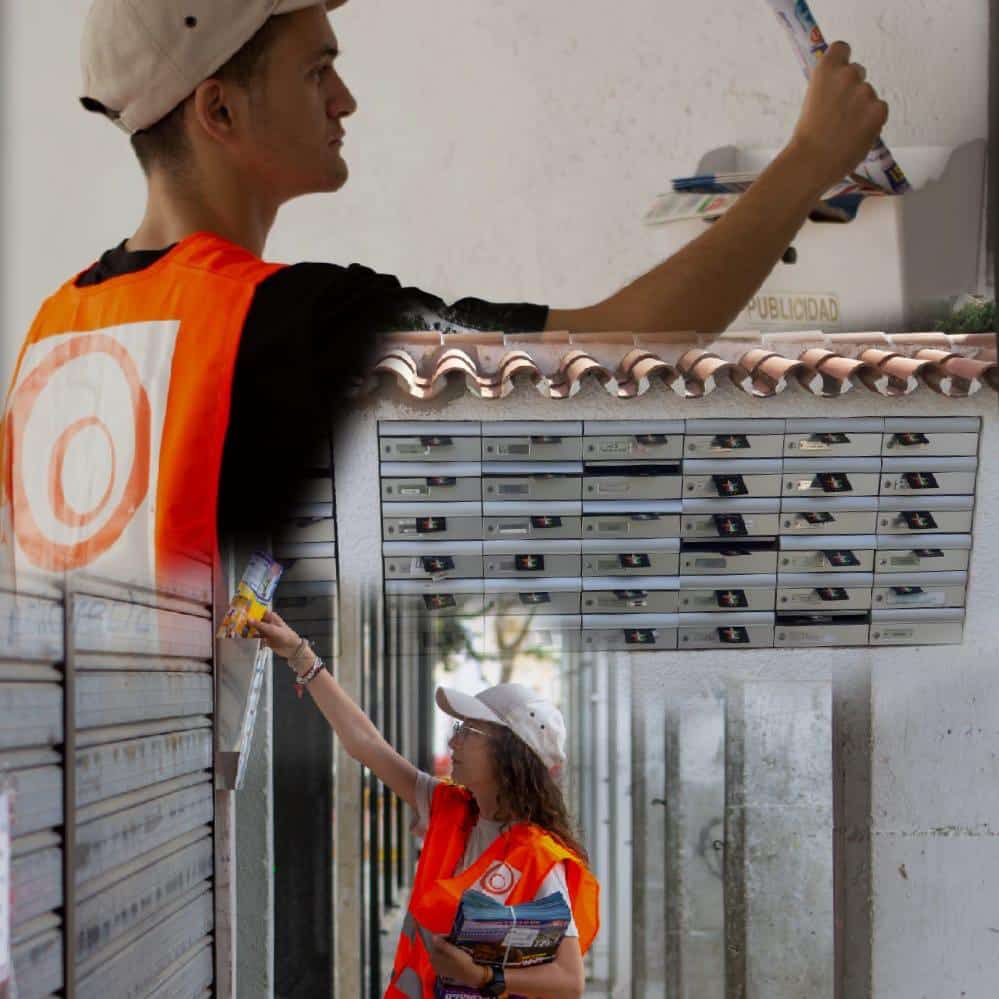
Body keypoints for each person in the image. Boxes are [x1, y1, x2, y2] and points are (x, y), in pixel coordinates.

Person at [0, 0, 888, 593]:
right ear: (220, 112)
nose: (345, 99)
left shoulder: (56, 328)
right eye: (317, 71)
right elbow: (621, 354)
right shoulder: (295, 322)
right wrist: (809, 157)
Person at [252, 607, 597, 999]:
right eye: (458, 729)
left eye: (469, 731)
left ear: (510, 755)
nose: (454, 742)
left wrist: (482, 976)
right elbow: (365, 745)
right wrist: (300, 655)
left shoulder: (538, 857)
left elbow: (570, 982)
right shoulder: (448, 808)